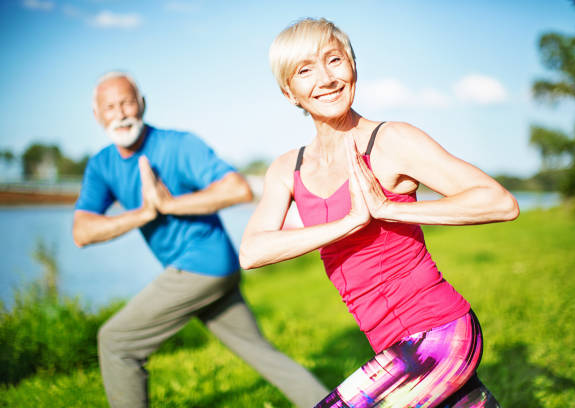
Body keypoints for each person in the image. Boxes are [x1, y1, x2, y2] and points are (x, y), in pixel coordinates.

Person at [240, 18, 520, 407]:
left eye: (334, 60)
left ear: (352, 66)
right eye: (305, 70)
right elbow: (252, 251)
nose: (326, 78)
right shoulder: (289, 169)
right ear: (290, 92)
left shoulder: (390, 141)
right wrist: (350, 222)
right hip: (391, 343)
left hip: (437, 332)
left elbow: (499, 202)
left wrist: (387, 208)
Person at [72, 71, 328, 408]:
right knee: (262, 354)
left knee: (116, 341)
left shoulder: (178, 145)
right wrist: (143, 214)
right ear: (97, 115)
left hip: (203, 265)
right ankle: (329, 403)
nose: (120, 113)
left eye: (127, 102)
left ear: (142, 105)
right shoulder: (101, 165)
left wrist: (169, 205)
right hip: (208, 271)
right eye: (109, 107)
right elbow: (82, 232)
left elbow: (237, 188)